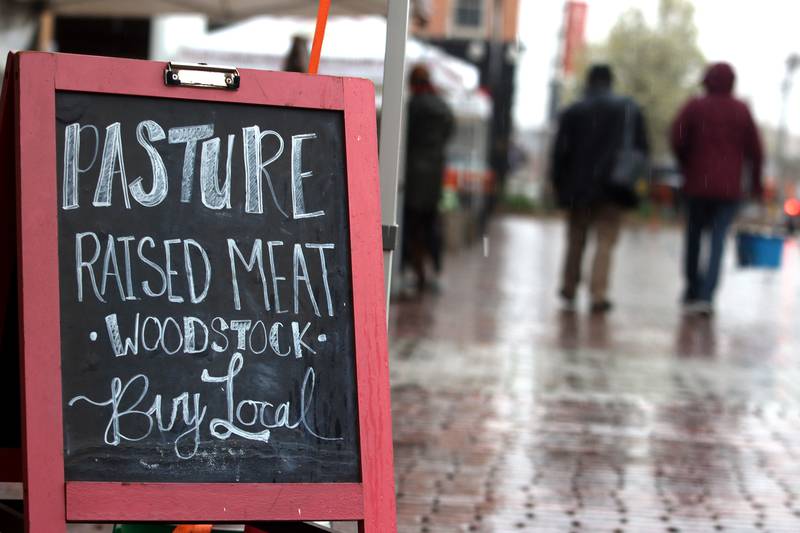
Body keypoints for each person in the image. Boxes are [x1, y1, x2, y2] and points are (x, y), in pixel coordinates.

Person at [551, 64, 649, 313]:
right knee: (605, 241)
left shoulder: (574, 111)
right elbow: (642, 150)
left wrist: (557, 184)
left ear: (589, 81)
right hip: (613, 187)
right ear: (610, 81)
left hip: (578, 186)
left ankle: (569, 285)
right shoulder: (628, 109)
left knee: (576, 238)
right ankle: (598, 293)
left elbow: (559, 153)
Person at [670, 62, 763, 316]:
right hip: (728, 189)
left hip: (697, 185)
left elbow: (676, 137)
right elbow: (756, 151)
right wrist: (755, 184)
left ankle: (691, 288)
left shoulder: (694, 107)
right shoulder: (741, 110)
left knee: (693, 238)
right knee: (718, 241)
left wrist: (686, 162)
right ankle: (707, 296)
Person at [402, 64, 454, 294]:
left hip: (413, 174)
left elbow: (405, 137)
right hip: (434, 175)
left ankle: (414, 267)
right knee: (431, 223)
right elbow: (449, 133)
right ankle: (435, 267)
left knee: (411, 224)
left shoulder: (412, 106)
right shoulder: (443, 107)